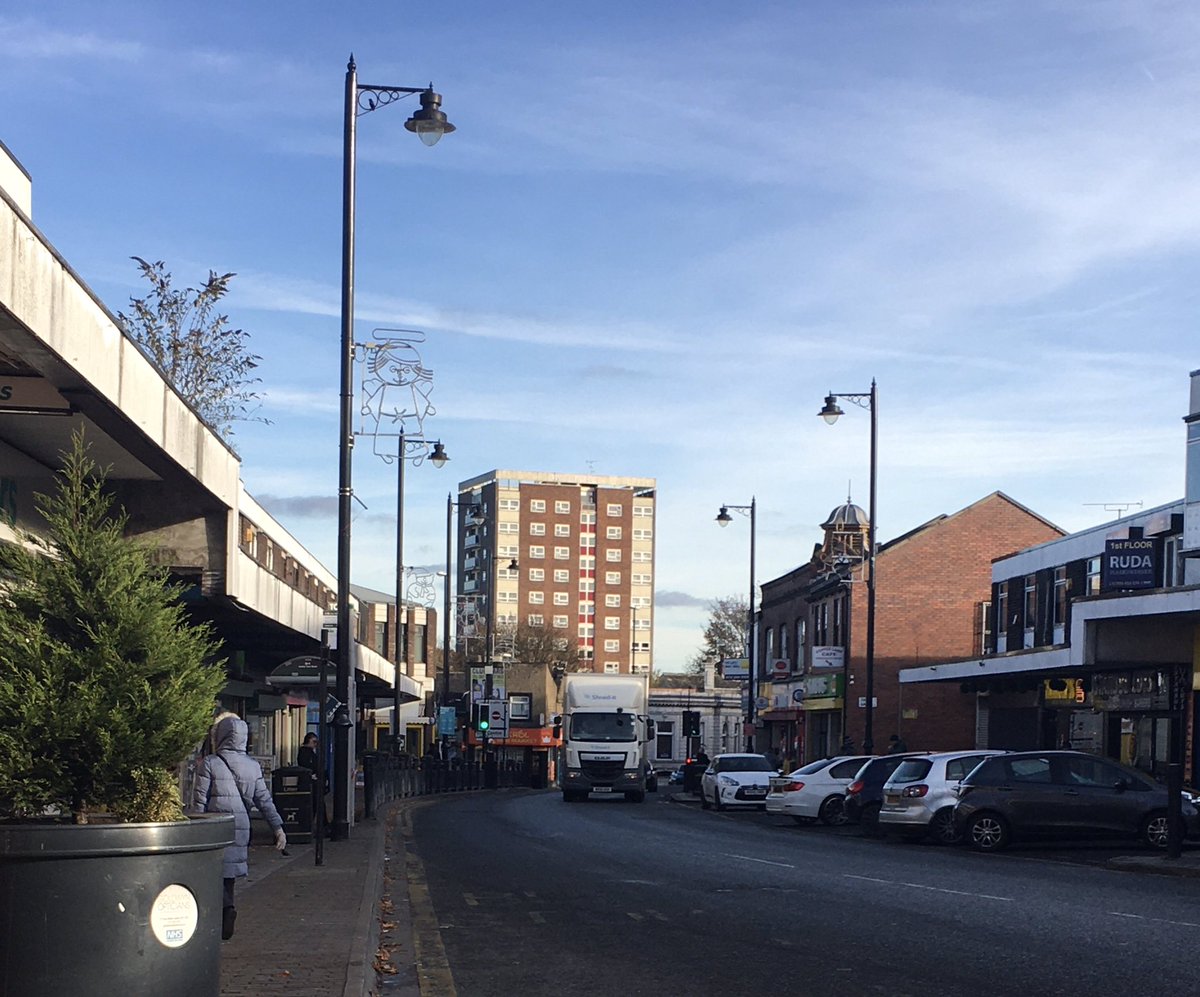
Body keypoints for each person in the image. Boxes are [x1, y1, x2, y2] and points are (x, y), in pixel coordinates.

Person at [191, 712, 286, 941]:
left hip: (215, 825)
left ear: (220, 736)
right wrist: (278, 828)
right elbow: (264, 800)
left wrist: (194, 827)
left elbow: (199, 801)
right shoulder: (252, 767)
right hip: (241, 825)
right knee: (229, 874)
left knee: (212, 873)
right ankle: (228, 910)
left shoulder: (210, 763)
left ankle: (220, 913)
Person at [297, 731, 330, 836]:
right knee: (316, 805)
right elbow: (307, 767)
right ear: (308, 741)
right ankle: (320, 827)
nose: (315, 744)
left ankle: (321, 826)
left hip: (316, 782)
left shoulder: (311, 753)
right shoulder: (305, 753)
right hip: (312, 783)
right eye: (314, 742)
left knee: (318, 805)